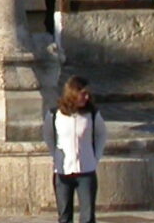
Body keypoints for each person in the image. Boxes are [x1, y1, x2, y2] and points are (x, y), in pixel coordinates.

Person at [47, 76, 107, 223]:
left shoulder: (92, 114)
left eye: (88, 94)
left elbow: (101, 134)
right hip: (63, 171)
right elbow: (48, 136)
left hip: (86, 170)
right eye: (83, 94)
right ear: (73, 94)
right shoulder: (55, 114)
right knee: (64, 216)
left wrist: (95, 157)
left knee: (87, 216)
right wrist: (55, 156)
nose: (86, 98)